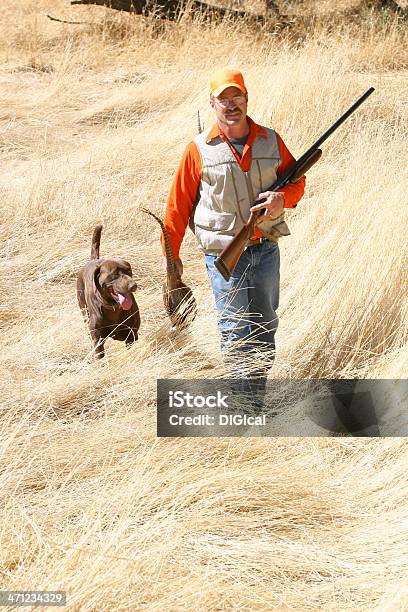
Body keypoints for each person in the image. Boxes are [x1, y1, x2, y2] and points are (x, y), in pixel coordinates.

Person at [161, 67, 305, 405]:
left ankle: (256, 397)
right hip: (225, 256)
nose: (230, 105)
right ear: (212, 104)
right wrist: (172, 258)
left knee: (265, 326)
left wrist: (282, 199)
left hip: (266, 250)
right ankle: (244, 406)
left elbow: (297, 181)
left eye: (236, 97)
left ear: (246, 99)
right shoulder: (198, 149)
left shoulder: (271, 139)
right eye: (223, 99)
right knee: (235, 329)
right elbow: (177, 207)